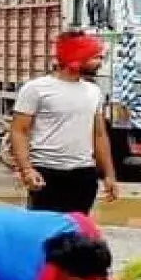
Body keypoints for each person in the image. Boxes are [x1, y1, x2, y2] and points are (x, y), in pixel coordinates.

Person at [11, 31, 120, 214]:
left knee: (75, 233)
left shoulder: (93, 91)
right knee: (45, 233)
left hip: (83, 174)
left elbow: (99, 135)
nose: (100, 63)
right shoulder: (36, 89)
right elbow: (18, 131)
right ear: (77, 57)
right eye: (96, 57)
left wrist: (109, 175)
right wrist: (27, 170)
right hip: (46, 173)